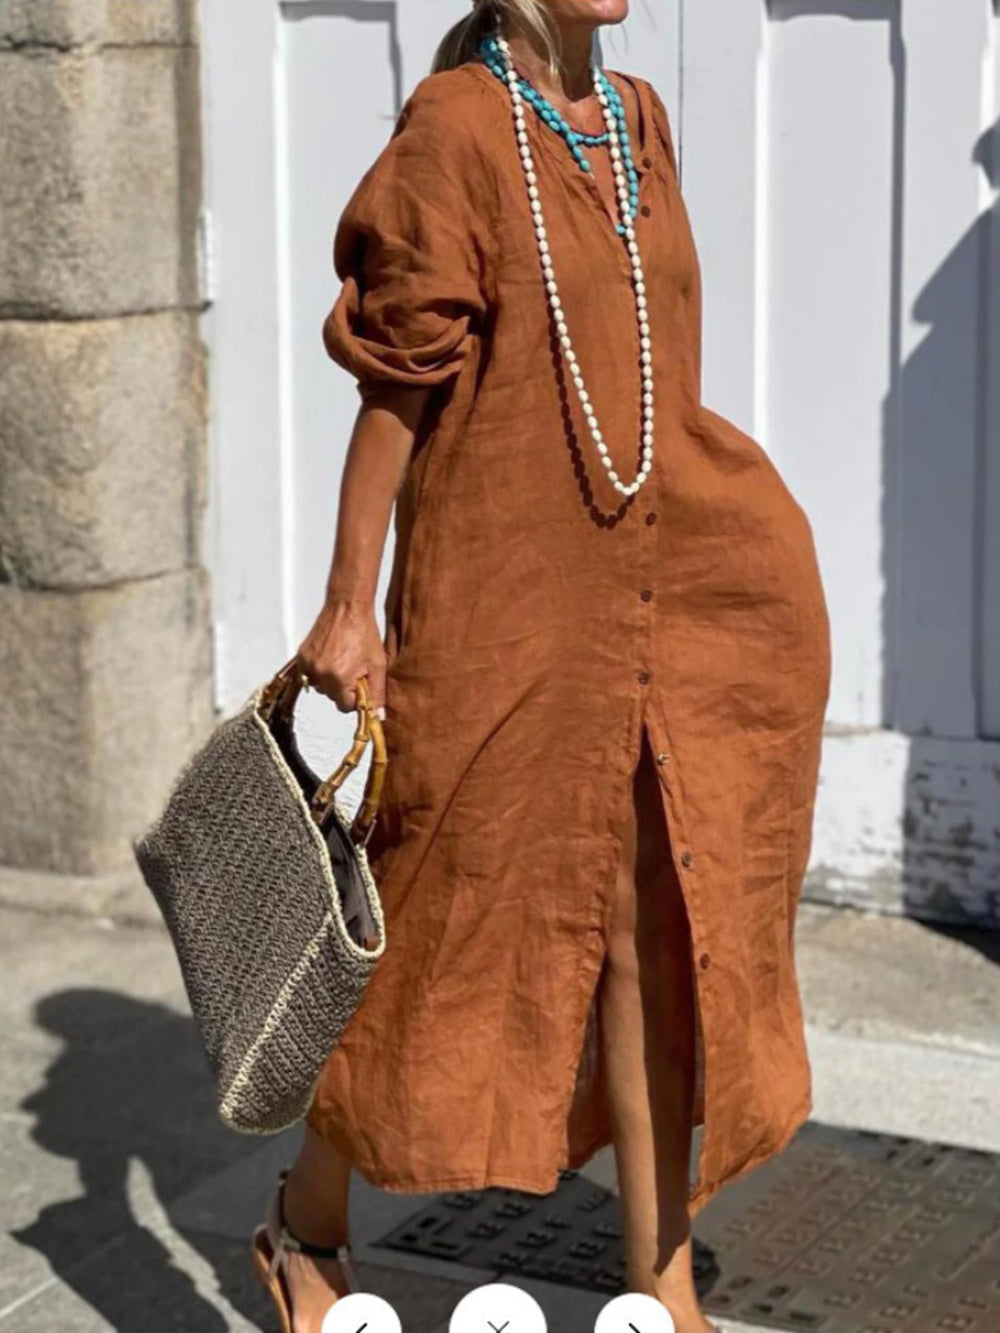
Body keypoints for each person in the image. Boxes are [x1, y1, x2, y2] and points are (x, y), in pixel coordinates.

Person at [251, 1, 832, 1329]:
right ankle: (308, 1220)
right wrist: (349, 606)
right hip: (503, 592)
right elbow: (394, 386)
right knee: (432, 917)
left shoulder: (638, 120)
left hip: (666, 576)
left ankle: (659, 1281)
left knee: (653, 923)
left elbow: (653, 359)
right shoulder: (456, 130)